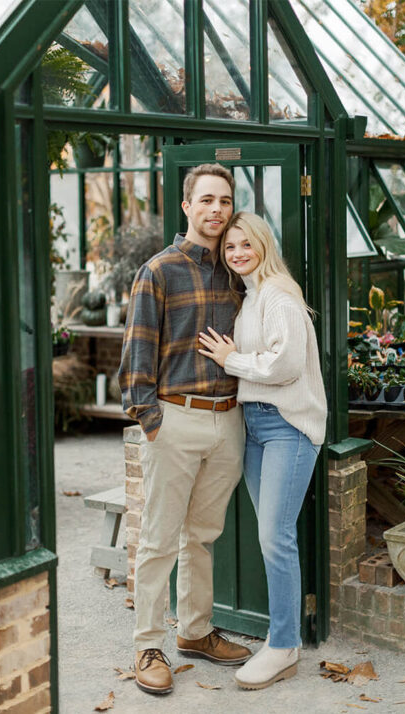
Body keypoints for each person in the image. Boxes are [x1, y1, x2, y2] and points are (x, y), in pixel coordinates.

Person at [119, 163, 252, 696]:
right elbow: (136, 358)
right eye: (207, 200)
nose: (216, 210)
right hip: (175, 419)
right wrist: (153, 422)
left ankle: (194, 632)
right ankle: (148, 644)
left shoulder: (238, 269)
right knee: (157, 540)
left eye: (224, 201)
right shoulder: (159, 271)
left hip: (229, 422)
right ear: (187, 206)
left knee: (202, 537)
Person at [197, 212, 326, 690]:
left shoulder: (279, 296)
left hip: (287, 427)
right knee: (272, 535)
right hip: (255, 424)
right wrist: (240, 358)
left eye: (245, 244)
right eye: (230, 247)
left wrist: (233, 360)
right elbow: (264, 359)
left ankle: (284, 644)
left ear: (264, 244)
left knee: (275, 536)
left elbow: (287, 365)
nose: (237, 253)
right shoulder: (251, 296)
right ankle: (283, 641)